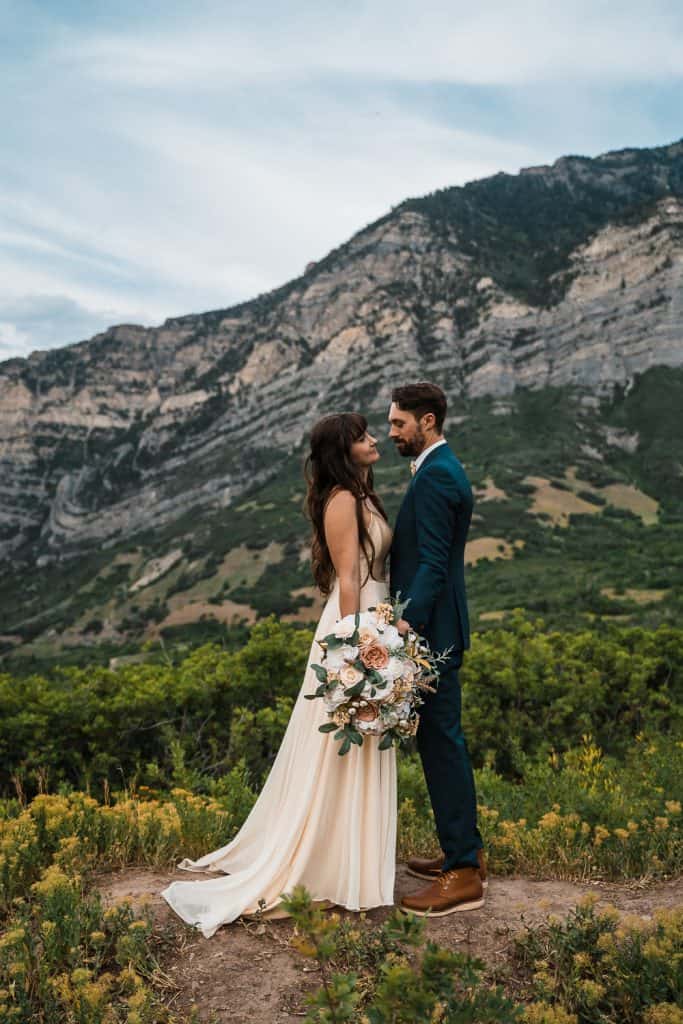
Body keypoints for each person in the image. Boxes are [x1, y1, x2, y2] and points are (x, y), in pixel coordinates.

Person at [160, 412, 396, 937]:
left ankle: (353, 863)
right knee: (342, 743)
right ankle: (329, 863)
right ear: (343, 449)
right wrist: (357, 652)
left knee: (363, 744)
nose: (374, 439)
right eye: (363, 436)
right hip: (354, 628)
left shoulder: (361, 495)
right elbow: (350, 580)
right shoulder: (340, 501)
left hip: (375, 624)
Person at [388, 381, 486, 916]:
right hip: (438, 631)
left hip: (433, 637)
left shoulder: (439, 476)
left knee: (443, 744)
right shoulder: (438, 469)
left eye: (399, 423)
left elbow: (430, 563)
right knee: (439, 742)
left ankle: (464, 871)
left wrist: (404, 626)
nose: (392, 432)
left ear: (427, 422)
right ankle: (462, 853)